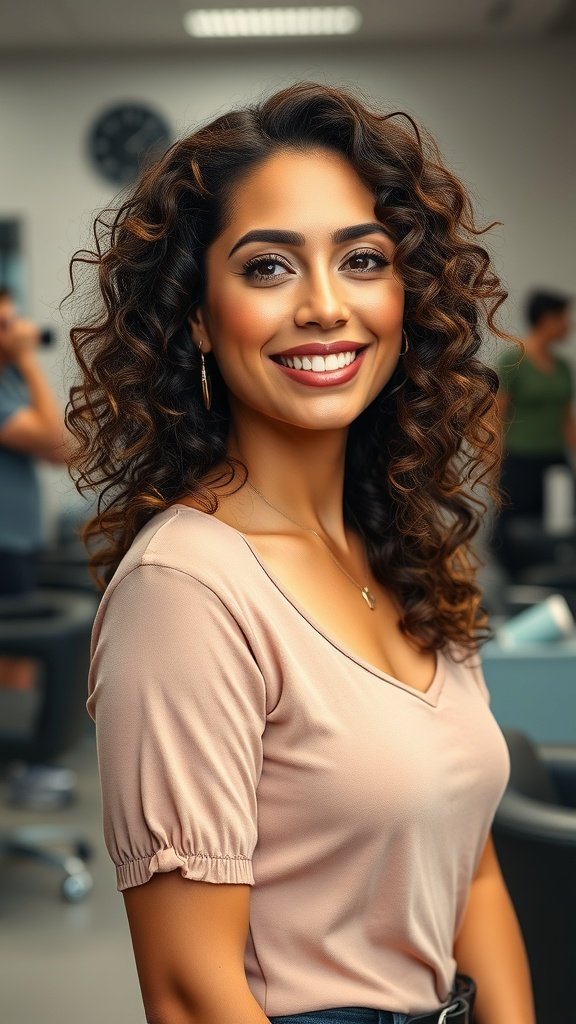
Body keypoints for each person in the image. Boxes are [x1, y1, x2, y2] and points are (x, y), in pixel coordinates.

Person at [68, 83, 534, 1024]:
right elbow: (193, 993)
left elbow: (470, 869)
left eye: (363, 259)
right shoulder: (185, 588)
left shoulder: (404, 546)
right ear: (197, 316)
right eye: (269, 267)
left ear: (408, 298)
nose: (326, 306)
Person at [493, 289, 575, 572]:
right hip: (520, 461)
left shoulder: (563, 367)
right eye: (565, 317)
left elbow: (567, 420)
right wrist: (493, 467)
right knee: (513, 535)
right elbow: (497, 417)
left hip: (555, 463)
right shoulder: (513, 361)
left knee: (559, 531)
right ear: (547, 320)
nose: (569, 324)